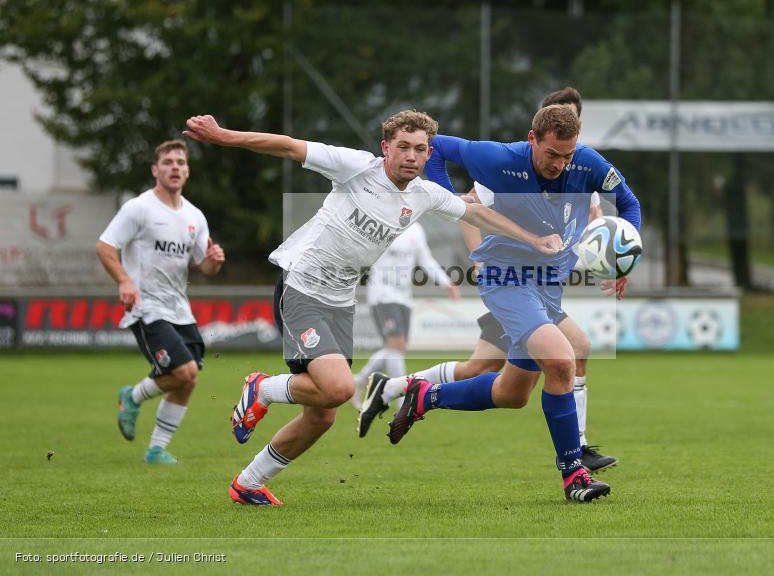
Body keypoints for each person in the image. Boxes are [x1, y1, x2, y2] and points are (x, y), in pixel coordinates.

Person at [182, 110, 562, 505]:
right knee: (339, 388)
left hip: (341, 302)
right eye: (403, 147)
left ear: (428, 153)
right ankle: (262, 388)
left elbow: (476, 212)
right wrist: (225, 136)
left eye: (420, 149)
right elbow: (289, 146)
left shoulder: (424, 194)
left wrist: (535, 240)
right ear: (385, 147)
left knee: (322, 414)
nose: (411, 156)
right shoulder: (356, 167)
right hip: (301, 287)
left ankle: (248, 483)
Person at [383, 103, 641, 503]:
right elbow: (436, 145)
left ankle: (425, 395)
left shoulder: (589, 163)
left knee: (512, 393)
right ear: (532, 139)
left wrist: (626, 259)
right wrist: (449, 200)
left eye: (567, 156)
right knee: (562, 361)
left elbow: (629, 203)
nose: (559, 164)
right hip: (507, 279)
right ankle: (574, 475)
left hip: (548, 287)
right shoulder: (500, 158)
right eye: (551, 154)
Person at [97, 139, 226, 464]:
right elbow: (105, 246)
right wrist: (125, 281)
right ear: (155, 170)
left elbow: (205, 266)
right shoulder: (139, 208)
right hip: (146, 308)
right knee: (183, 371)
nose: (175, 168)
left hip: (179, 309)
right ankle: (133, 397)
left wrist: (214, 261)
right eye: (168, 162)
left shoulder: (195, 215)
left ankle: (156, 449)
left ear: (187, 171)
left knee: (189, 379)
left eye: (180, 162)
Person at [350, 220, 460, 410]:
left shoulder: (416, 229)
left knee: (395, 349)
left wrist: (446, 282)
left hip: (404, 297)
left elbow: (425, 260)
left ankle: (359, 381)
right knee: (396, 346)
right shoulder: (382, 222)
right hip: (382, 294)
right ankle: (402, 400)